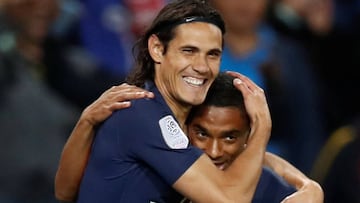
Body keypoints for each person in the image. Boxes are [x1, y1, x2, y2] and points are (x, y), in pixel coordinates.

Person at [58, 0, 273, 202]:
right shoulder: (143, 115)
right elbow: (229, 200)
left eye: (213, 54)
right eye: (189, 51)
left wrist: (303, 185)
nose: (202, 66)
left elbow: (65, 191)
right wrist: (262, 125)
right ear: (157, 49)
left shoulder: (184, 116)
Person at [55, 73, 323, 202]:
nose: (214, 150)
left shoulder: (261, 185)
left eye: (229, 138)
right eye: (201, 133)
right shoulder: (155, 163)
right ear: (183, 126)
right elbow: (66, 191)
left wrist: (310, 188)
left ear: (247, 139)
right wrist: (87, 120)